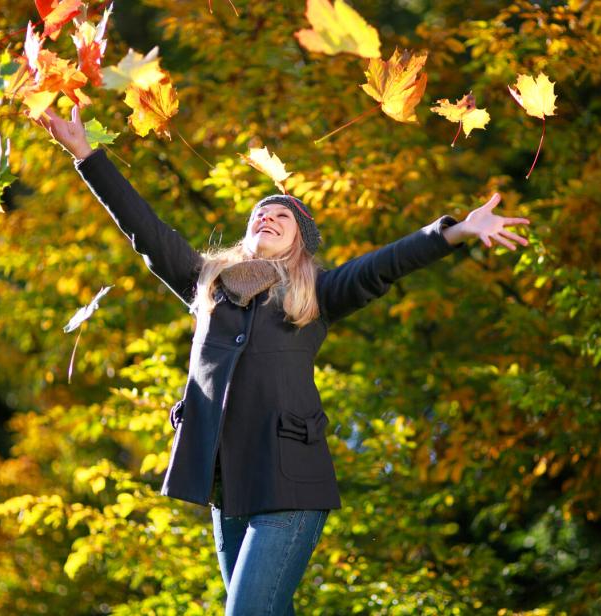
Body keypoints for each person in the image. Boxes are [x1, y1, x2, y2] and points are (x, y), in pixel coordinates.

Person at [36, 106, 530, 615]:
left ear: (299, 242)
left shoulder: (317, 292)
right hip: (226, 484)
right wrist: (86, 155)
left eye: (282, 216)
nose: (267, 216)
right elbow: (144, 228)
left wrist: (453, 233)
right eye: (259, 214)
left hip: (290, 480)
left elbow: (383, 265)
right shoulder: (206, 283)